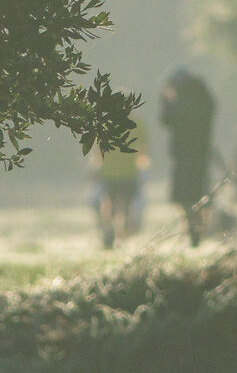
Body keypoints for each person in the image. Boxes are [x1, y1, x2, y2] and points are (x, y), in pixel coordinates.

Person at [158, 67, 218, 246]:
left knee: (183, 197)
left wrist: (166, 102)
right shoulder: (204, 101)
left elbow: (165, 120)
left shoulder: (180, 104)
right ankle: (197, 230)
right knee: (198, 195)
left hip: (183, 156)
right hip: (200, 155)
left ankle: (193, 230)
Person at [89, 118, 148, 249]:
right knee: (125, 206)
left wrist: (95, 167)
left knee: (108, 204)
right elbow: (143, 150)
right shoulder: (137, 124)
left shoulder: (104, 123)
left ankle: (109, 233)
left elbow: (97, 150)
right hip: (129, 172)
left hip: (109, 172)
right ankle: (120, 236)